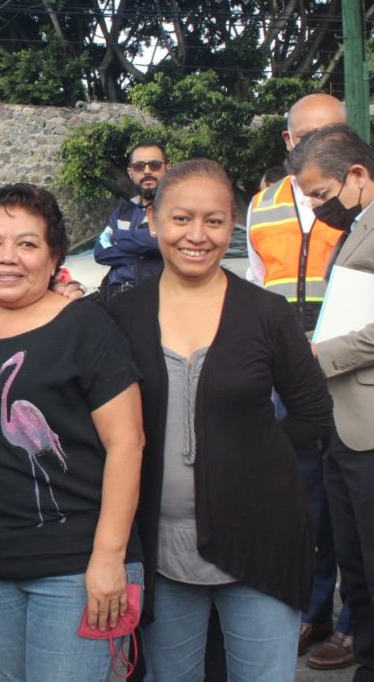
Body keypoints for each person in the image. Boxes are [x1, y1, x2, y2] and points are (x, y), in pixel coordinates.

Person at [106, 159, 333, 681]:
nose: (197, 235)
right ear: (154, 221)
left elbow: (314, 412)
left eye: (214, 221)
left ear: (233, 225)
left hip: (261, 543)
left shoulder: (266, 314)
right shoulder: (121, 315)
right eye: (182, 218)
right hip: (163, 551)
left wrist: (253, 455)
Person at [0, 183, 145, 680]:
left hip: (72, 569)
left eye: (27, 244)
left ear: (54, 259)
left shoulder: (86, 328)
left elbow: (127, 444)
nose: (7, 257)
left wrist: (108, 561)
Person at [245, 92, 354, 669]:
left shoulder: (361, 198)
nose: (318, 145)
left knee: (354, 498)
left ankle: (353, 623)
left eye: (332, 132)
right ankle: (312, 610)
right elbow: (258, 284)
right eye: (308, 135)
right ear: (288, 143)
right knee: (303, 496)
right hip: (285, 374)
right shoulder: (261, 205)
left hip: (353, 368)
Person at [288, 123, 374, 682]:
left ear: (359, 176)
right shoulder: (356, 228)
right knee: (354, 564)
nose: (319, 208)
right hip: (339, 427)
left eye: (322, 194)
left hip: (367, 426)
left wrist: (316, 355)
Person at [93, 142, 169, 299]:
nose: (147, 171)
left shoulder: (178, 210)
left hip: (156, 296)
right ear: (130, 172)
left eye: (155, 165)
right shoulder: (122, 212)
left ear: (167, 168)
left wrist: (123, 240)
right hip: (116, 296)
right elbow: (101, 251)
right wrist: (146, 253)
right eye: (139, 166)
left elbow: (162, 245)